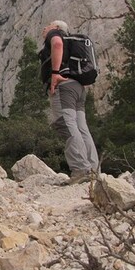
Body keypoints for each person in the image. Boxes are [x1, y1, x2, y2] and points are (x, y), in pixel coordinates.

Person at [41, 20, 99, 184]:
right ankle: (93, 169)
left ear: (57, 28)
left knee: (66, 125)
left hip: (64, 87)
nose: (45, 28)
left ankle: (81, 170)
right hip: (78, 88)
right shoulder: (73, 45)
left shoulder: (56, 35)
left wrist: (54, 73)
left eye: (49, 25)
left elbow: (57, 44)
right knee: (81, 128)